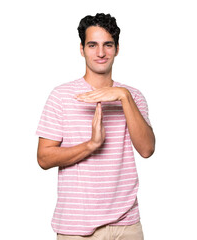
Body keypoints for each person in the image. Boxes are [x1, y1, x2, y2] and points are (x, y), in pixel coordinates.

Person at [36, 13, 155, 240]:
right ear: (82, 49)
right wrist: (91, 145)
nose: (101, 53)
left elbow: (147, 149)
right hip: (76, 227)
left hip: (126, 223)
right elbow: (44, 158)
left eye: (107, 45)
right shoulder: (61, 96)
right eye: (93, 45)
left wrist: (123, 96)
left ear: (117, 49)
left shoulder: (133, 96)